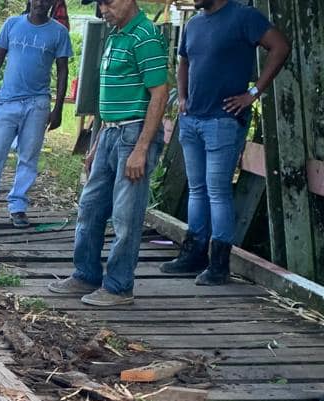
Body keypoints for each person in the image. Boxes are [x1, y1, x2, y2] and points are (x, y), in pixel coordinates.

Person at [158, 0, 289, 285]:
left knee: (217, 191)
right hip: (192, 119)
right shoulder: (193, 24)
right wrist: (182, 97)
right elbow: (184, 61)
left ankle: (219, 264)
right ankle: (193, 254)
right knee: (197, 189)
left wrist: (253, 92)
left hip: (223, 120)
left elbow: (280, 46)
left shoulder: (243, 16)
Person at [48, 0, 168, 306]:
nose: (103, 9)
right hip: (110, 132)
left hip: (133, 134)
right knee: (90, 207)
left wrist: (141, 149)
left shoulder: (146, 35)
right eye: (100, 4)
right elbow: (109, 97)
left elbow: (159, 94)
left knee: (126, 216)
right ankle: (85, 274)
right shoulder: (115, 35)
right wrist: (97, 142)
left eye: (108, 2)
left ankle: (118, 285)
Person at [0, 0, 72, 230]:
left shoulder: (59, 33)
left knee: (29, 157)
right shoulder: (12, 25)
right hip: (7, 101)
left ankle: (18, 206)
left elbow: (62, 71)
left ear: (52, 3)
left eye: (46, 0)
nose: (41, 3)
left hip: (38, 103)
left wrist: (58, 108)